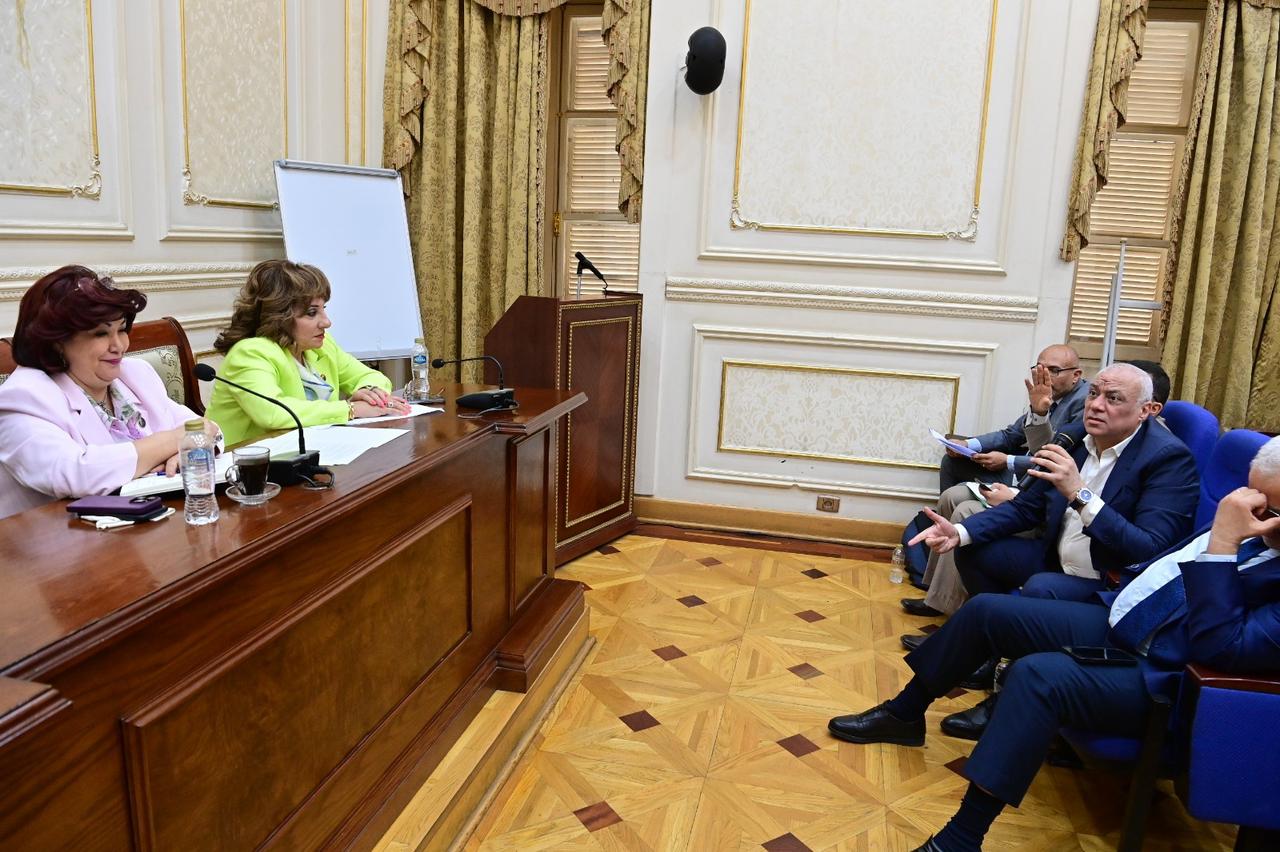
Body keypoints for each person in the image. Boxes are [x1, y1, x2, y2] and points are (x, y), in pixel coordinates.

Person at [828, 436, 1280, 852]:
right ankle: (904, 715)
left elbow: (1224, 648)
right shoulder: (1261, 524)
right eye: (1250, 496)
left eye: (1268, 508)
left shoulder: (1233, 527)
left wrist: (1223, 543)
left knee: (1037, 677)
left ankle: (960, 840)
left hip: (1170, 677)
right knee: (988, 612)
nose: (1252, 512)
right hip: (1128, 622)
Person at [903, 359, 1169, 620]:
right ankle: (987, 628)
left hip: (1104, 573)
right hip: (1055, 547)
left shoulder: (1165, 457)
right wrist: (959, 532)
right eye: (1094, 394)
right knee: (970, 543)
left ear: (1147, 409)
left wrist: (1079, 493)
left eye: (1113, 398)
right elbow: (1028, 498)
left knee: (1039, 585)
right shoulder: (1079, 434)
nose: (1096, 405)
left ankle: (987, 631)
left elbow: (1147, 548)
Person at [0, 265, 220, 519]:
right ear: (57, 341)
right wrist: (173, 442)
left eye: (122, 329)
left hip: (151, 523)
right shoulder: (23, 396)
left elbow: (207, 429)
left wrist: (190, 446)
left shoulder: (135, 374)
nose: (119, 345)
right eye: (101, 333)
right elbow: (78, 473)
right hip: (61, 538)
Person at [206, 260, 410, 445]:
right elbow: (274, 413)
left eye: (323, 308)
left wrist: (370, 392)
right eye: (312, 313)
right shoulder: (250, 353)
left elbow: (371, 376)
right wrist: (351, 409)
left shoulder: (322, 345)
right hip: (246, 464)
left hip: (311, 450)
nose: (327, 322)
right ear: (280, 317)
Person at [939, 345, 1087, 491]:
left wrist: (1008, 461)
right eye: (1040, 369)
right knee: (951, 462)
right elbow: (1011, 435)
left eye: (1054, 370)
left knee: (957, 495)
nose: (1044, 377)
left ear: (1076, 375)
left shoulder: (1084, 402)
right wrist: (966, 444)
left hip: (1041, 483)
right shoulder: (1049, 394)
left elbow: (1059, 460)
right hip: (1021, 471)